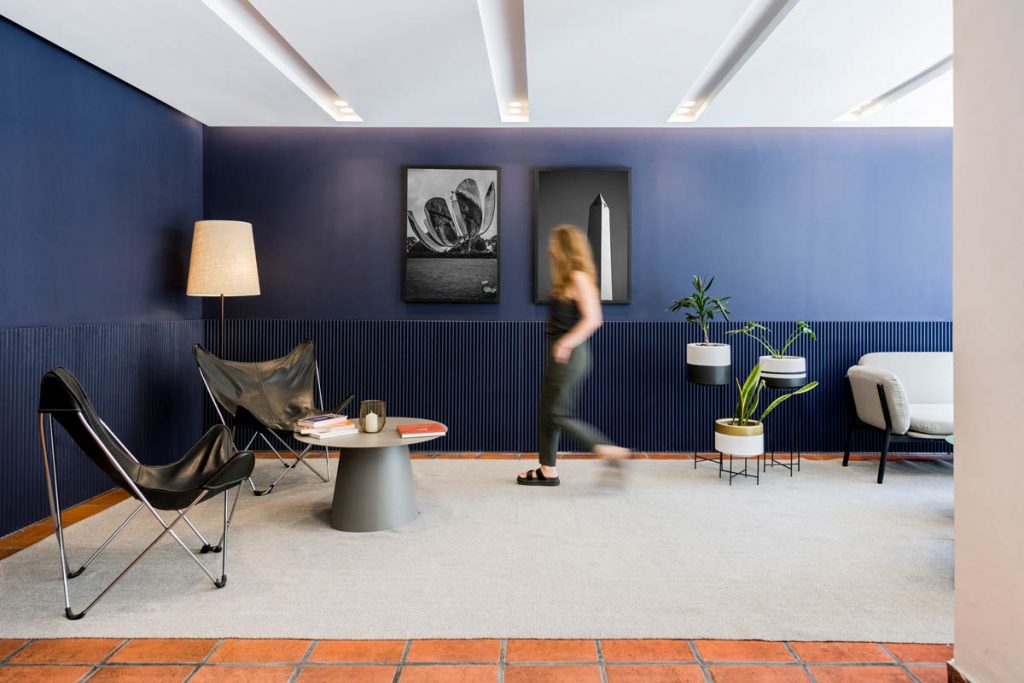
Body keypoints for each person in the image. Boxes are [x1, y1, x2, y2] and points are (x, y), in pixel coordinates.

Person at [518, 224, 630, 486]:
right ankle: (547, 469)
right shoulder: (566, 280)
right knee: (548, 413)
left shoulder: (579, 277)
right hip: (559, 354)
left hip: (570, 355)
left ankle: (607, 449)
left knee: (557, 413)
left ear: (565, 248)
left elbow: (594, 319)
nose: (550, 249)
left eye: (554, 244)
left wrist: (566, 344)